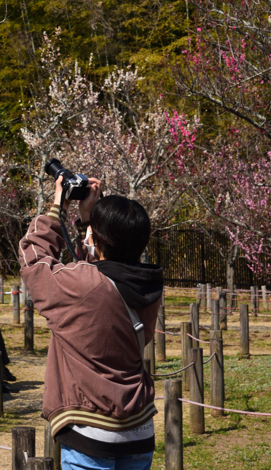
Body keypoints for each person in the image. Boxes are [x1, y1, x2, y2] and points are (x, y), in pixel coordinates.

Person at [20, 175, 164, 470]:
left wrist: (56, 206)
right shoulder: (148, 284)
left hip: (91, 430)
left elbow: (34, 262)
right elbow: (98, 273)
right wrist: (89, 220)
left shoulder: (85, 285)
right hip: (138, 430)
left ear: (97, 240)